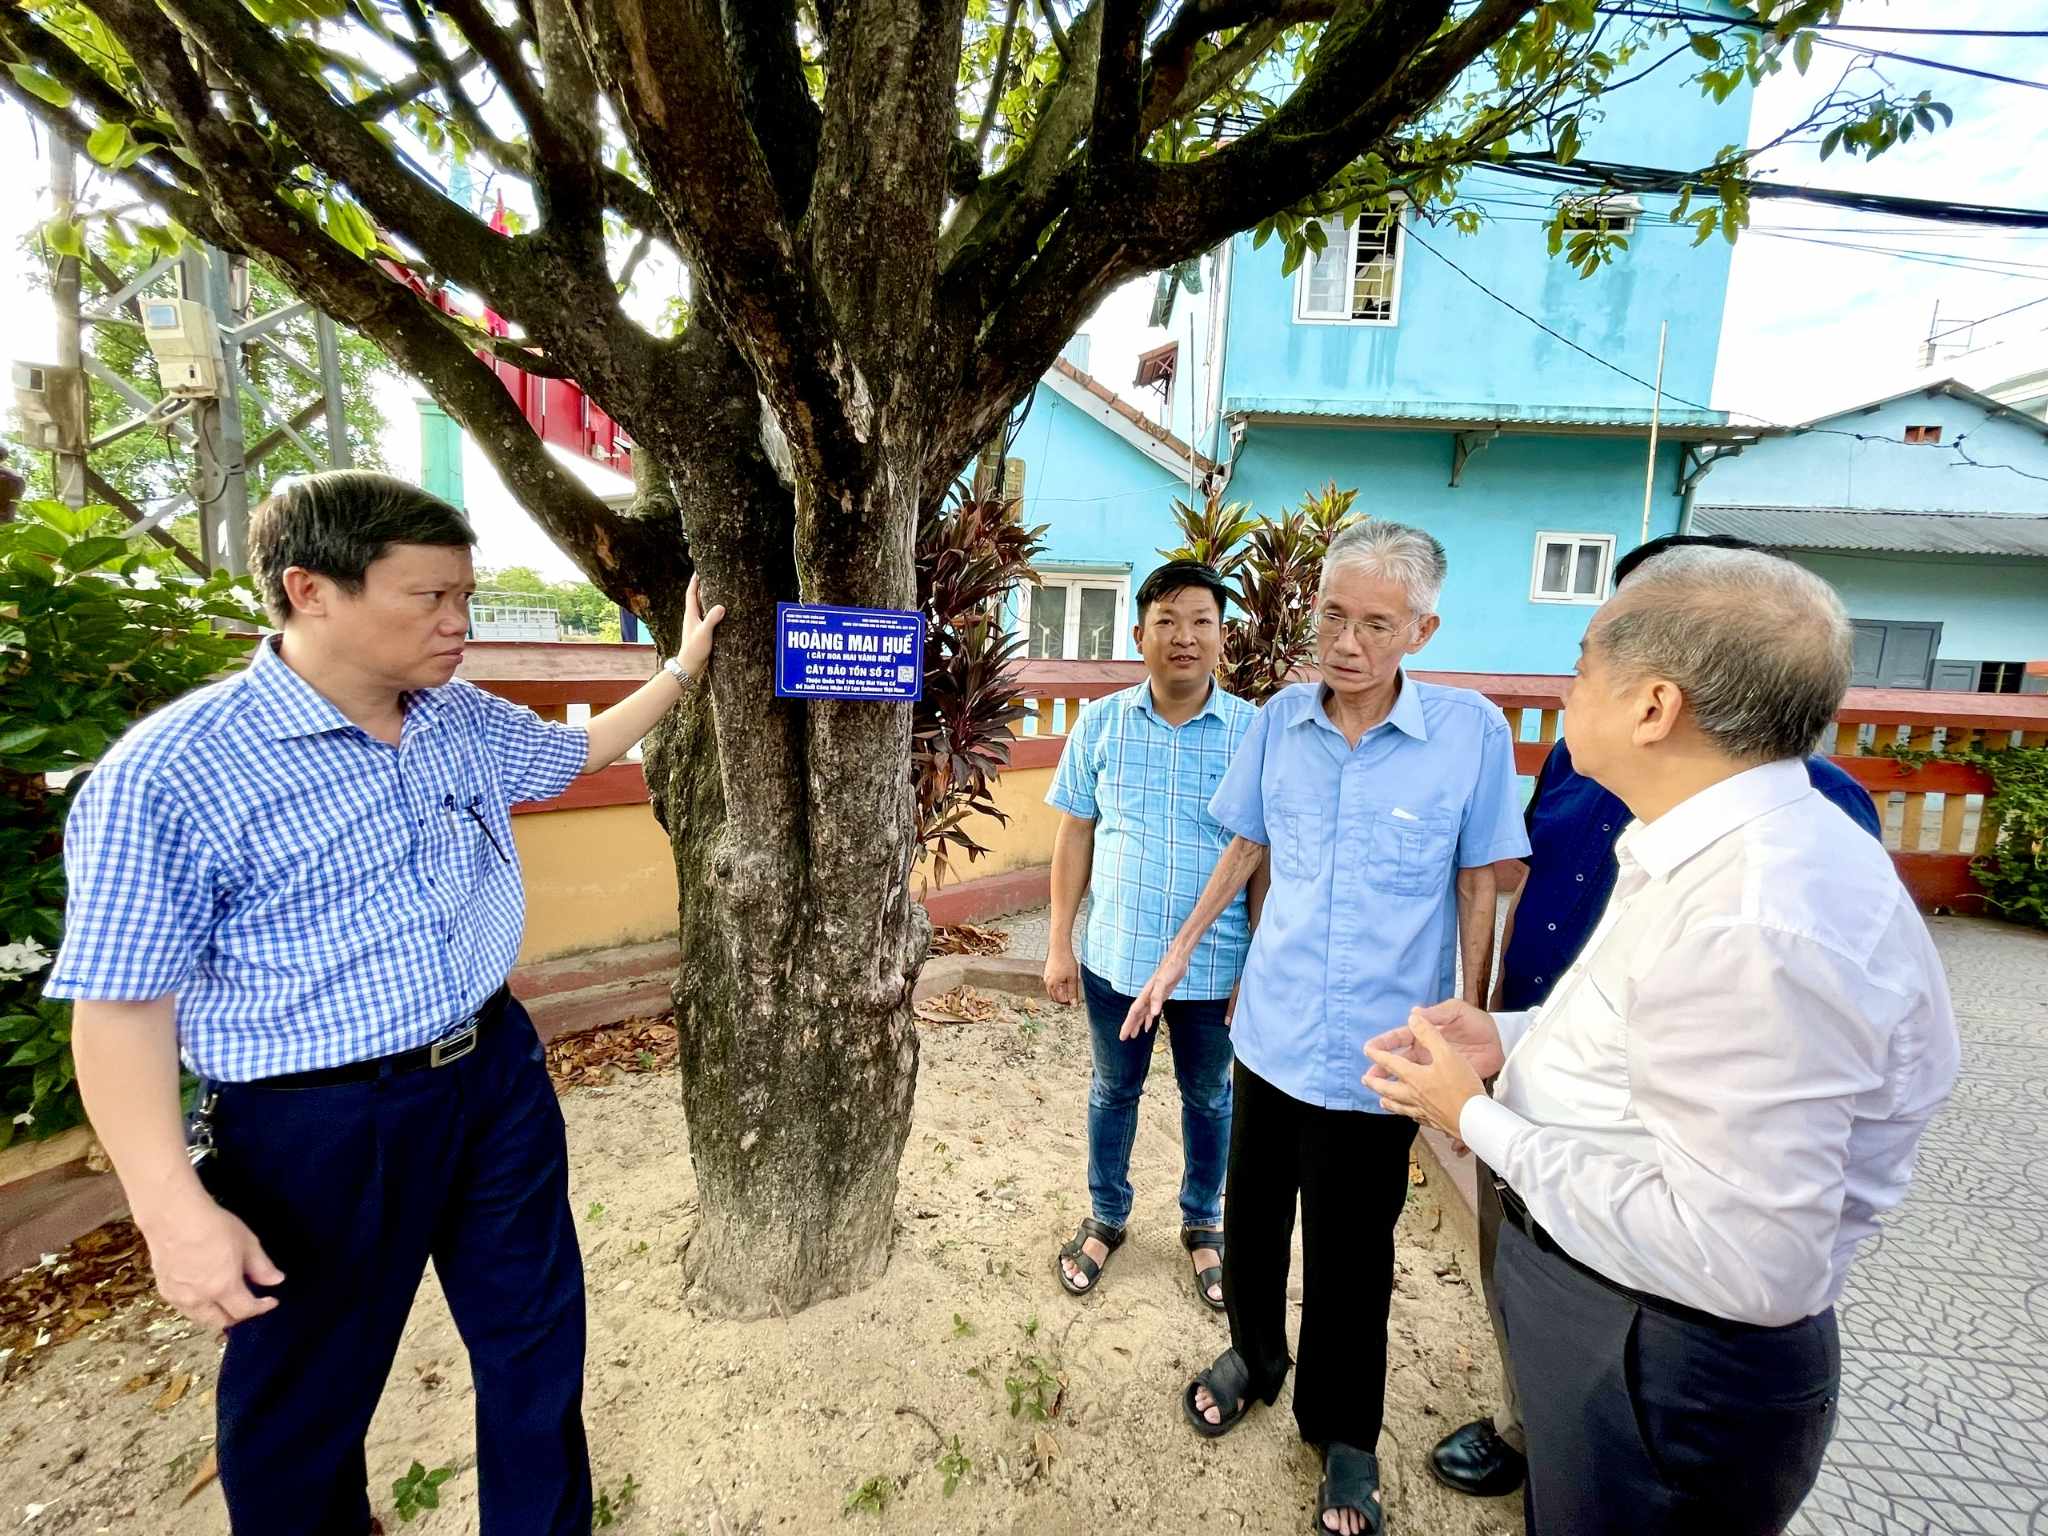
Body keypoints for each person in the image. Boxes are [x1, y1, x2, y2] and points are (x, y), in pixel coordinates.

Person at [45, 471, 725, 1536]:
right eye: (429, 599)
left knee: (534, 1342)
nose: (460, 624)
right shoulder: (173, 776)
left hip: (493, 1075)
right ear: (311, 590)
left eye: (464, 595)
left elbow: (575, 750)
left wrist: (682, 668)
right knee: (304, 1400)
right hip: (313, 1123)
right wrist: (171, 1211)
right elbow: (120, 1007)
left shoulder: (456, 717)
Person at [1366, 547, 1959, 1536]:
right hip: (1615, 1304)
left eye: (1582, 663)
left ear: (1651, 707)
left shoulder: (1758, 916)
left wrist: (1471, 1118)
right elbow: (1650, 1037)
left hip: (1661, 1349)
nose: (1565, 690)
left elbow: (1744, 1261)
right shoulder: (1710, 851)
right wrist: (1510, 1037)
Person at [1126, 521, 1530, 1536]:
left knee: (1353, 1255)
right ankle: (1256, 1356)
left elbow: (1477, 883)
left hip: (1378, 1057)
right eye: (1330, 616)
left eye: (1374, 623)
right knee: (1251, 1219)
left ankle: (1344, 1432)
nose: (1344, 642)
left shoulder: (1470, 735)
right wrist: (1177, 955)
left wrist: (1464, 1034)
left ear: (1419, 630)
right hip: (1269, 1032)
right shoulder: (1275, 724)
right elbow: (1245, 849)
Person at [1044, 559, 1263, 1311]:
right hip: (1115, 959)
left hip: (1215, 968)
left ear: (1222, 637)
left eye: (1201, 621)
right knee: (1114, 1090)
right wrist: (1058, 944)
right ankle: (1108, 1215)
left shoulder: (1253, 733)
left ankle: (1205, 1222)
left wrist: (1256, 960)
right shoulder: (1101, 723)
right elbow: (1076, 835)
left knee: (1209, 1098)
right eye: (1166, 620)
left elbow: (1264, 857)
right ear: (1139, 634)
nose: (1183, 636)